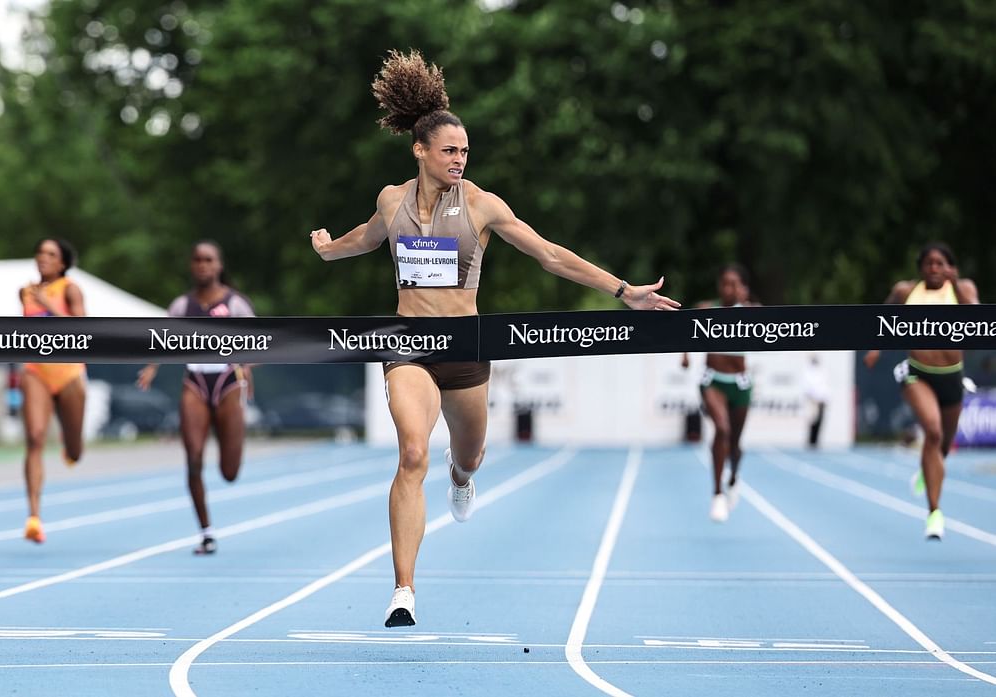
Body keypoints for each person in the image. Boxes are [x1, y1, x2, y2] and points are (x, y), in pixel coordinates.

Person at [309, 49, 680, 628]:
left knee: (469, 454)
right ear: (420, 151)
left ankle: (463, 479)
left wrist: (622, 289)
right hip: (408, 346)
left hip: (466, 352)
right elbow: (367, 237)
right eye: (449, 150)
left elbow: (550, 254)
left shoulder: (482, 205)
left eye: (464, 151)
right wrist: (329, 247)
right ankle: (403, 589)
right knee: (411, 453)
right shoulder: (391, 200)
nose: (459, 159)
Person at [137, 240, 255, 555]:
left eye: (208, 260)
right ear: (192, 266)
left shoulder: (235, 304)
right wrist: (152, 368)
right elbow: (162, 338)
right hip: (195, 383)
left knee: (229, 472)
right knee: (192, 460)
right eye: (197, 260)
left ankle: (229, 446)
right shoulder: (181, 306)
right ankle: (206, 532)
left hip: (228, 381)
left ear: (218, 265)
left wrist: (248, 370)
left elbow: (259, 341)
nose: (203, 265)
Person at [864, 242, 979, 541]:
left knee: (942, 448)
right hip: (918, 373)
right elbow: (882, 316)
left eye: (940, 263)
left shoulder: (962, 288)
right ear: (920, 268)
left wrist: (958, 286)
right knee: (933, 431)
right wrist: (875, 347)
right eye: (928, 263)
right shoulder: (906, 291)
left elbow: (979, 319)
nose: (934, 269)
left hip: (952, 376)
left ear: (949, 267)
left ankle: (927, 472)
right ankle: (934, 514)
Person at [20, 238, 88, 543]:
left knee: (75, 452)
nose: (43, 258)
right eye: (40, 253)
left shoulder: (70, 289)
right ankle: (34, 517)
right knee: (34, 438)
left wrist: (50, 306)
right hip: (37, 371)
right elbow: (16, 332)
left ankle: (69, 441)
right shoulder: (25, 292)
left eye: (51, 254)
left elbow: (85, 329)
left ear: (62, 263)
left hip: (69, 372)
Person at [681, 264, 755, 524]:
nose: (728, 288)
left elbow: (780, 328)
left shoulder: (750, 312)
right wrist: (685, 355)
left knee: (735, 444)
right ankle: (717, 494)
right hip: (712, 381)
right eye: (725, 283)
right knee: (721, 430)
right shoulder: (707, 309)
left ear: (742, 287)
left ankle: (734, 477)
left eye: (734, 284)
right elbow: (684, 328)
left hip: (740, 384)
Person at [803, 355, 828, 449]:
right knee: (812, 420)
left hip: (821, 399)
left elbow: (824, 386)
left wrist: (825, 398)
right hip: (813, 399)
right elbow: (807, 386)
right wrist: (813, 397)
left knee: (819, 420)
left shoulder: (821, 371)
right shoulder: (808, 372)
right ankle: (811, 440)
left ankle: (816, 440)